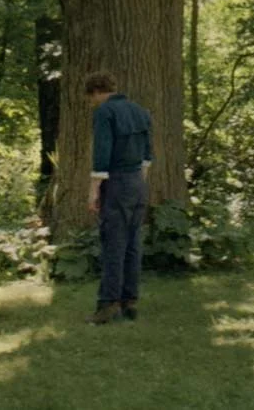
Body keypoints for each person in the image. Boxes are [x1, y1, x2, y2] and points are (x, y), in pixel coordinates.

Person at [84, 71, 152, 324]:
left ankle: (108, 304)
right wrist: (139, 183)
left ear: (95, 92)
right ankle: (129, 301)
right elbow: (147, 156)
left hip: (117, 181)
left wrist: (93, 191)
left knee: (113, 243)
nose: (92, 102)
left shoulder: (105, 112)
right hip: (137, 182)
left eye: (91, 98)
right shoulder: (140, 111)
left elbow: (102, 153)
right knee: (133, 243)